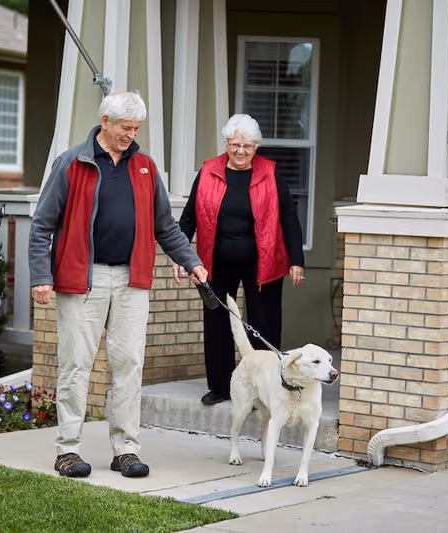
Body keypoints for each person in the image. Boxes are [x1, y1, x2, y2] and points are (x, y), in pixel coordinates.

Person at [29, 91, 208, 479]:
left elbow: (164, 226)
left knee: (129, 364)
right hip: (82, 277)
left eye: (136, 129)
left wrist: (191, 262)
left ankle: (126, 449)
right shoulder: (72, 163)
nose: (131, 135)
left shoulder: (144, 167)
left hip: (131, 279)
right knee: (77, 364)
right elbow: (42, 224)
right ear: (105, 121)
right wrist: (42, 276)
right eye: (125, 127)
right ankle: (68, 450)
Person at [173, 114, 305, 406]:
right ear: (226, 144)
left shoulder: (270, 173)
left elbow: (288, 217)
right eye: (235, 144)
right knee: (218, 322)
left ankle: (264, 389)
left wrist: (296, 258)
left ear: (256, 146)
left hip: (264, 261)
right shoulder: (208, 171)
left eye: (248, 145)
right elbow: (188, 218)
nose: (241, 151)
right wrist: (181, 257)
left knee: (263, 324)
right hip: (216, 261)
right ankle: (219, 387)